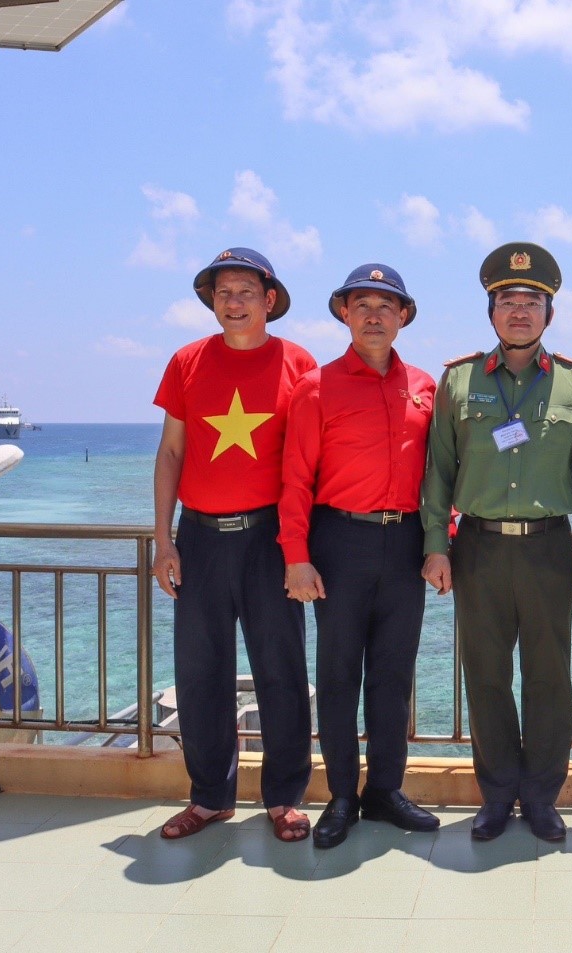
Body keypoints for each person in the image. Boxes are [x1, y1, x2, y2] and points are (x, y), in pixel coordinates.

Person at [420, 242, 572, 842]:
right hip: (477, 547)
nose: (519, 311)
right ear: (491, 313)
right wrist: (435, 545)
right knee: (487, 674)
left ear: (548, 314)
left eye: (531, 302)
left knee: (550, 675)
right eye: (507, 301)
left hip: (549, 548)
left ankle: (542, 795)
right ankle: (497, 795)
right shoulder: (460, 380)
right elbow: (437, 473)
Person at [151, 247, 315, 842]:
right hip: (199, 537)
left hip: (270, 538)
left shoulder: (298, 362)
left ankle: (284, 798)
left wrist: (300, 549)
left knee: (282, 671)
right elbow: (170, 453)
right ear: (211, 302)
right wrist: (162, 539)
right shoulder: (186, 361)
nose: (235, 302)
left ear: (269, 300)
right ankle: (210, 797)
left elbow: (306, 462)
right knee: (200, 673)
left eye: (246, 291)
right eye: (224, 293)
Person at [278, 263, 439, 850]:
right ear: (344, 314)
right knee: (340, 675)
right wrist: (297, 557)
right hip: (338, 542)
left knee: (394, 678)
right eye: (362, 304)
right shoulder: (315, 386)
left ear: (403, 317)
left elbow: (441, 474)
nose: (374, 315)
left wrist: (439, 539)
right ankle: (342, 795)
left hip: (405, 545)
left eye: (386, 305)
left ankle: (386, 791)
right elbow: (295, 480)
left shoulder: (425, 386)